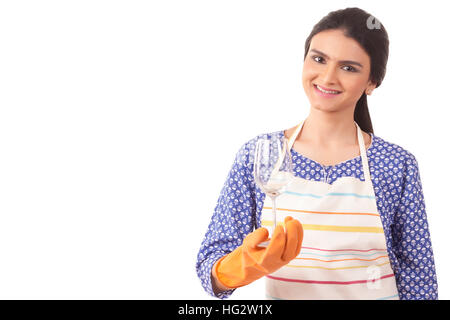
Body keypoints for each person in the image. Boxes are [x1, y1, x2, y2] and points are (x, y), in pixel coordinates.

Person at [195, 7, 438, 300]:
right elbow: (211, 262)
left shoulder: (396, 164)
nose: (328, 77)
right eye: (319, 59)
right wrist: (235, 269)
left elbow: (419, 276)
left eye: (349, 68)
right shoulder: (260, 154)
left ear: (372, 82)